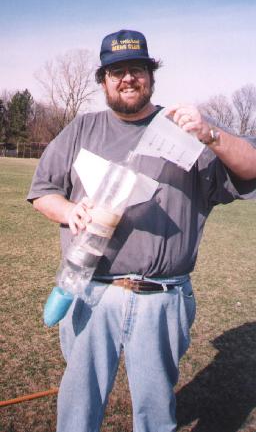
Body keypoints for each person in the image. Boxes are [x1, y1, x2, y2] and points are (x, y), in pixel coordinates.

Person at [27, 29, 256, 432]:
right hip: (89, 292)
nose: (127, 78)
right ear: (103, 81)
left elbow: (251, 169)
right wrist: (69, 211)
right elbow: (43, 191)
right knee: (77, 411)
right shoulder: (82, 128)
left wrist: (213, 135)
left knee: (155, 415)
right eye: (116, 71)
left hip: (162, 298)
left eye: (137, 69)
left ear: (151, 75)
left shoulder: (186, 129)